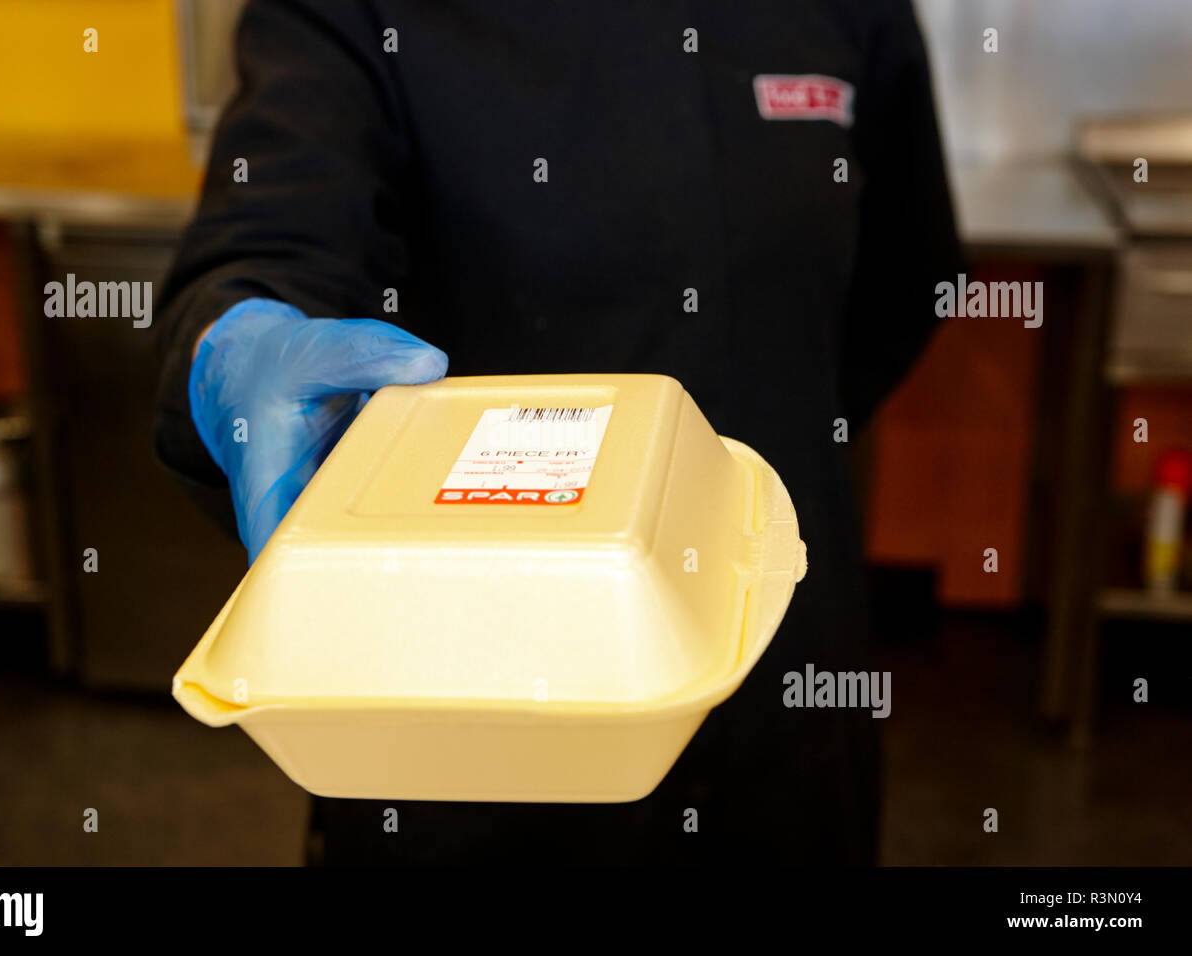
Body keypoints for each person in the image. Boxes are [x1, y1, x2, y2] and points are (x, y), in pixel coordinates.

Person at [154, 0, 962, 865]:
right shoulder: (347, 14)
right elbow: (270, 235)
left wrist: (777, 443)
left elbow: (907, 277)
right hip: (465, 709)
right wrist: (236, 346)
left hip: (785, 677)